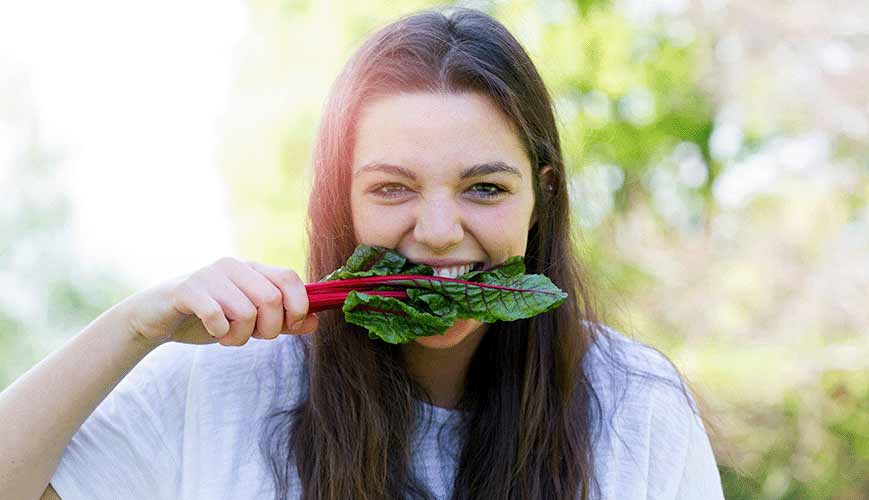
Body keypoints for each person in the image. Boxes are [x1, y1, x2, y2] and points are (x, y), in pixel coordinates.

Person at [0, 7, 725, 500]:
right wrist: (138, 325)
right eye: (390, 188)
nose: (438, 230)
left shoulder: (634, 404)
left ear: (542, 198)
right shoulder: (215, 385)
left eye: (483, 188)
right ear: (337, 202)